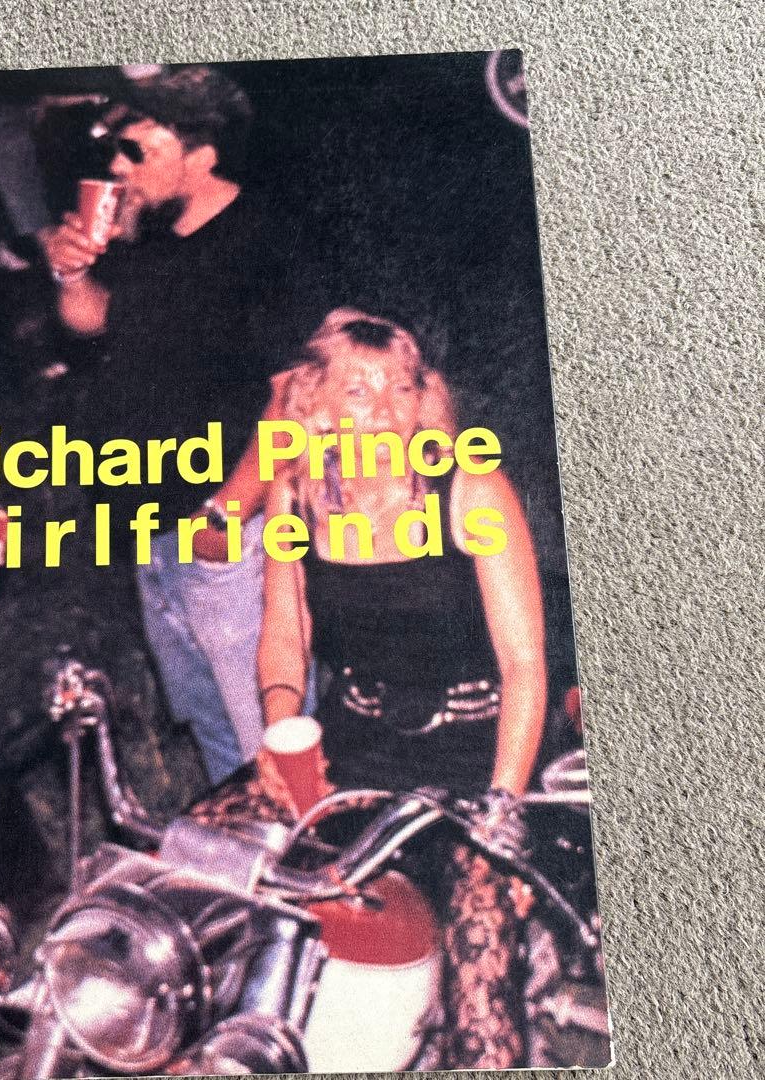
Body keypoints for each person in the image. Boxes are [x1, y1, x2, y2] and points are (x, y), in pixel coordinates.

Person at [256, 308, 547, 1068]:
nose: (385, 410)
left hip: (478, 760)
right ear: (315, 404)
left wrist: (503, 814)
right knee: (217, 877)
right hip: (356, 745)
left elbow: (525, 667)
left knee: (481, 1008)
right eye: (359, 390)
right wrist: (281, 730)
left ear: (425, 398)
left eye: (402, 387)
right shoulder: (295, 496)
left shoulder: (472, 490)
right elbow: (285, 631)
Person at [43, 66, 318, 784]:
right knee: (214, 734)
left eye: (137, 150)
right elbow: (93, 324)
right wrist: (73, 273)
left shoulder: (263, 238)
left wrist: (227, 514)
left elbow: (293, 397)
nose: (117, 166)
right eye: (114, 149)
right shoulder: (152, 238)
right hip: (153, 528)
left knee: (273, 745)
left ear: (202, 155)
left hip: (228, 528)